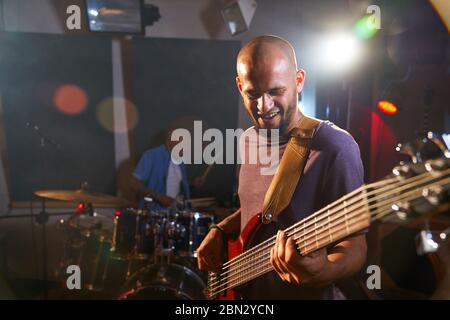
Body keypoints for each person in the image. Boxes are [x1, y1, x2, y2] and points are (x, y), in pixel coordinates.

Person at [196, 35, 367, 299]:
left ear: (298, 81)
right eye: (252, 94)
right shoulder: (250, 139)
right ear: (239, 85)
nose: (264, 106)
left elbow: (356, 244)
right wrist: (220, 230)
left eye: (275, 91)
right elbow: (259, 207)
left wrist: (324, 270)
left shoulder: (335, 146)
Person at [131, 128, 205, 208]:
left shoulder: (181, 161)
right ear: (169, 140)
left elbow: (174, 185)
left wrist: (192, 184)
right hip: (154, 212)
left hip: (176, 211)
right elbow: (134, 183)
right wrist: (160, 197)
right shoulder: (152, 156)